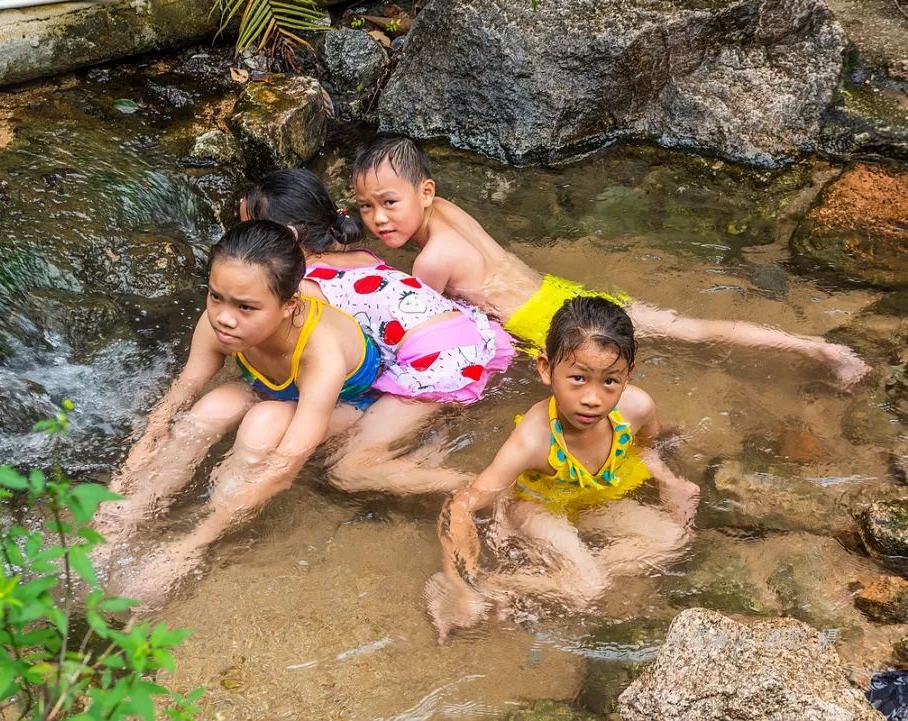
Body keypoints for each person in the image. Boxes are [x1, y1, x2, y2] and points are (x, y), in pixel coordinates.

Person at [351, 136, 870, 386]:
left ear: (424, 191)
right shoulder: (444, 211)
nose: (378, 219)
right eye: (365, 207)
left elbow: (428, 330)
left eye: (389, 203)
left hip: (545, 323)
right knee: (685, 329)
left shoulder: (431, 262)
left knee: (659, 349)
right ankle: (815, 347)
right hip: (561, 292)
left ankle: (817, 350)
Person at [92, 220, 382, 599]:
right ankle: (133, 516)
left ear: (288, 304)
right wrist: (122, 488)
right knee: (209, 409)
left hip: (350, 403)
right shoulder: (220, 323)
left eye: (246, 307)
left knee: (262, 425)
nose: (225, 317)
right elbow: (173, 404)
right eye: (216, 297)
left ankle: (200, 530)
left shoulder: (319, 350)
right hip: (274, 389)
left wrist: (191, 544)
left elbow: (286, 464)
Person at [427, 296, 700, 642]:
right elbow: (461, 504)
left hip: (592, 497)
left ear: (628, 375)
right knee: (589, 591)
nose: (592, 398)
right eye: (577, 378)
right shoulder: (534, 440)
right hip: (536, 507)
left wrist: (668, 480)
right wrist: (458, 578)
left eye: (610, 381)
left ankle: (509, 584)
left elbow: (649, 446)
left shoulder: (637, 408)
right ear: (545, 368)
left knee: (673, 538)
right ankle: (476, 589)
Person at [240, 169, 515, 493]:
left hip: (435, 361)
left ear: (286, 235)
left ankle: (478, 490)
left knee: (348, 469)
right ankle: (431, 440)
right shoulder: (357, 254)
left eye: (250, 231)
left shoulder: (305, 286)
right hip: (464, 333)